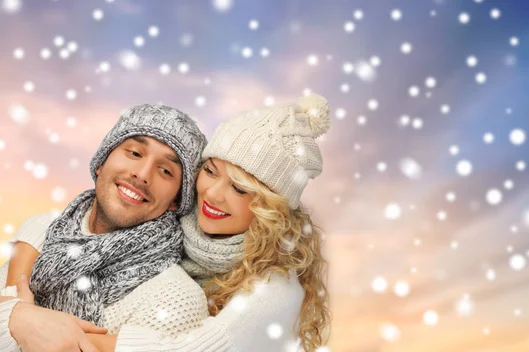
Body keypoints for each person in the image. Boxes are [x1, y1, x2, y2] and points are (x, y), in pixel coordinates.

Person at [2, 93, 332, 352]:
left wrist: (43, 328)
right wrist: (20, 301)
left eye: (240, 188)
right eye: (211, 171)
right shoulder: (183, 223)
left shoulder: (273, 293)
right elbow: (57, 223)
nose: (212, 195)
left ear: (270, 209)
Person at [0, 104, 208, 351]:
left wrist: (16, 317)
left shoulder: (175, 299)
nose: (142, 174)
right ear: (101, 162)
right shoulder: (42, 233)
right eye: (134, 153)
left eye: (165, 170)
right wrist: (16, 317)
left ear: (176, 200)